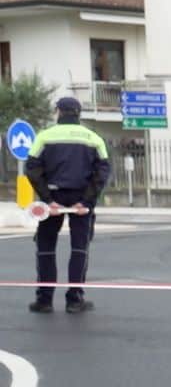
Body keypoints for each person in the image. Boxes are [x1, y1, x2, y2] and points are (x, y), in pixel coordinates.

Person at [24, 95, 110, 314]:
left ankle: (44, 300)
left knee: (45, 248)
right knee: (79, 248)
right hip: (81, 198)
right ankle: (74, 299)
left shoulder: (44, 136)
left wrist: (47, 199)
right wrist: (87, 200)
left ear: (58, 112)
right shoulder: (94, 138)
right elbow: (102, 172)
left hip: (53, 197)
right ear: (78, 114)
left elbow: (32, 169)